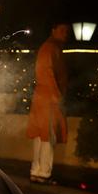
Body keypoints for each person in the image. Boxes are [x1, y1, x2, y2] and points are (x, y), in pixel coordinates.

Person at [26, 23, 69, 184]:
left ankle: (36, 171)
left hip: (43, 97)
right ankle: (44, 173)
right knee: (48, 136)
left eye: (67, 31)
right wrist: (57, 95)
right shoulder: (51, 48)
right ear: (53, 30)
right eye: (62, 30)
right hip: (49, 99)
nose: (66, 34)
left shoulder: (49, 47)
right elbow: (47, 72)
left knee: (40, 135)